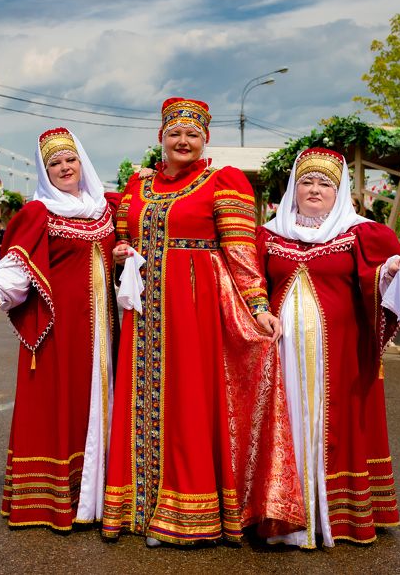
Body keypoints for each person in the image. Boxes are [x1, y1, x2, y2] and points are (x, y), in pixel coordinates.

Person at [104, 97, 303, 546]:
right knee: (144, 402)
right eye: (175, 133)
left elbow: (241, 249)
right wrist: (121, 251)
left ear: (205, 139)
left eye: (193, 134)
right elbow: (122, 234)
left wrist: (256, 306)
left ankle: (183, 515)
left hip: (195, 308)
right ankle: (139, 509)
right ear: (161, 136)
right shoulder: (138, 184)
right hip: (145, 313)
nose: (183, 141)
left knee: (187, 402)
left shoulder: (222, 181)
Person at [0, 127, 118, 529]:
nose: (64, 168)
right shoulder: (39, 213)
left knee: (100, 402)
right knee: (60, 405)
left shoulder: (106, 207)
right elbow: (15, 271)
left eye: (70, 159)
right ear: (44, 171)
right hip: (60, 333)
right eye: (55, 163)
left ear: (82, 162)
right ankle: (57, 501)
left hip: (104, 329)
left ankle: (101, 497)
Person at [257, 147, 400, 548]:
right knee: (286, 425)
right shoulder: (269, 234)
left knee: (334, 429)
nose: (314, 189)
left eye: (324, 183)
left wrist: (391, 271)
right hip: (279, 358)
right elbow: (251, 284)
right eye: (306, 181)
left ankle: (334, 516)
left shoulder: (362, 233)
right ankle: (285, 514)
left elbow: (375, 281)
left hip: (339, 361)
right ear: (293, 188)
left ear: (339, 190)